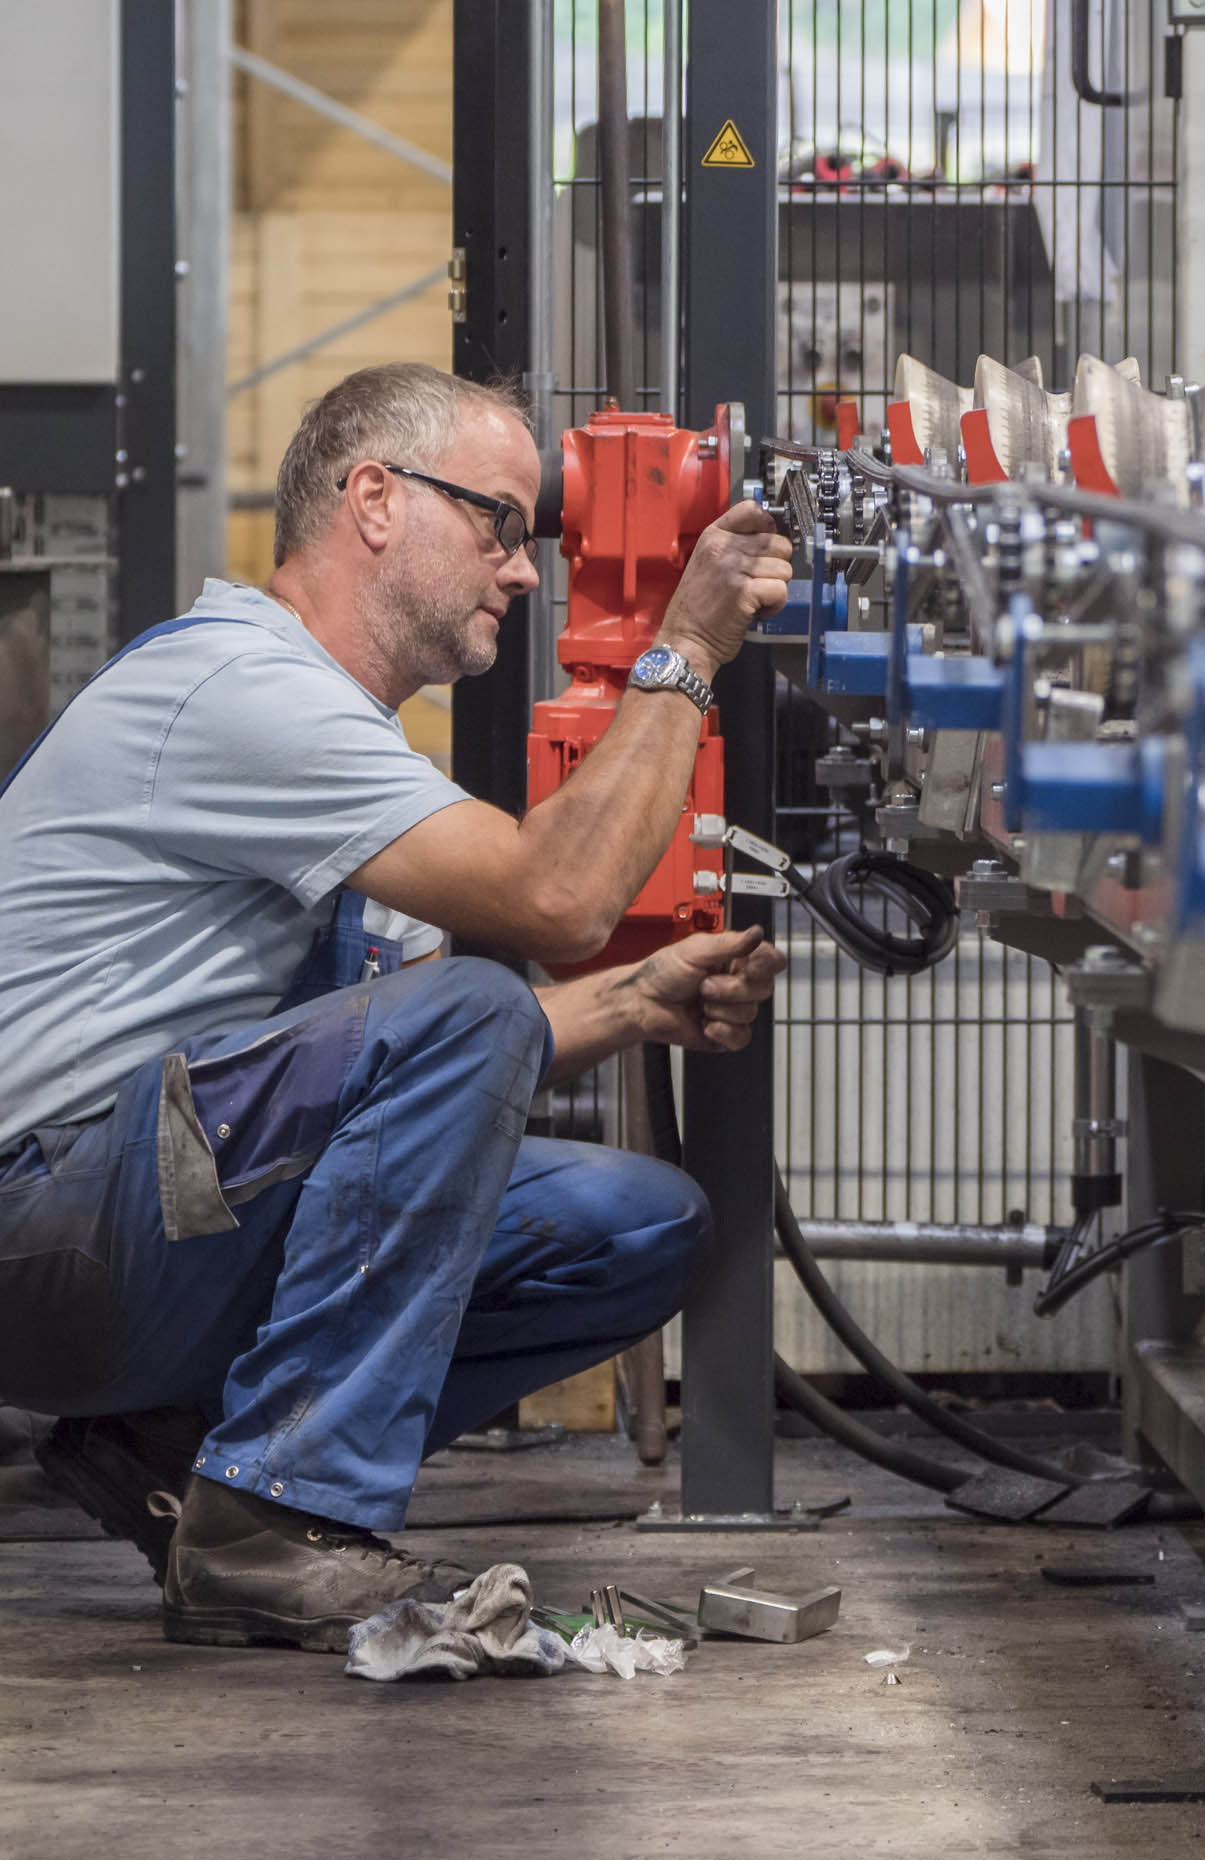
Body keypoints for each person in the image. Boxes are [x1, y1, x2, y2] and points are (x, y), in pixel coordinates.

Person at [0, 362, 794, 1651]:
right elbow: (554, 901)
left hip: (145, 1221)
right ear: (374, 499)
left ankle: (178, 1443)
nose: (523, 570)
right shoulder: (242, 690)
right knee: (473, 1002)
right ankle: (275, 1522)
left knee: (640, 1226)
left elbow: (401, 1091)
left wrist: (633, 1001)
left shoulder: (351, 758)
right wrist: (687, 647)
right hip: (43, 1225)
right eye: (500, 524)